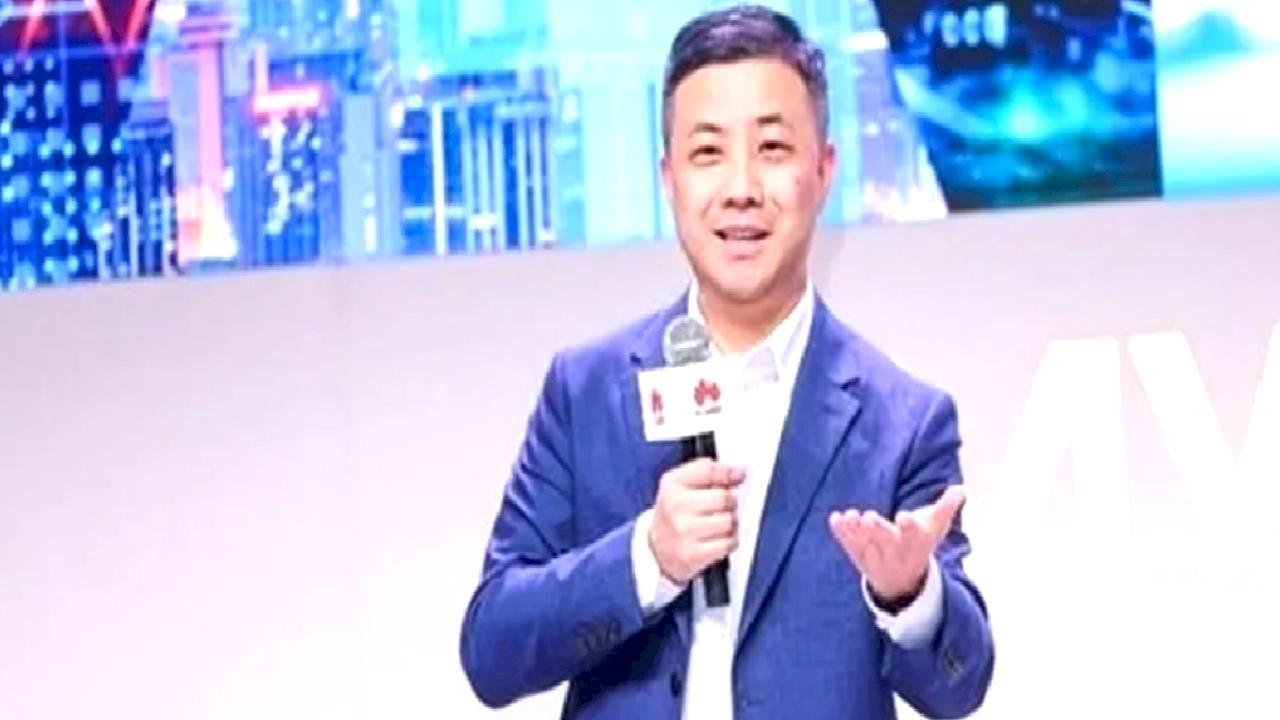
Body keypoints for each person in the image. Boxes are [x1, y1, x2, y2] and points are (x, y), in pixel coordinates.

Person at [459, 6, 994, 718]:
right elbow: (491, 651)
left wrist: (911, 594)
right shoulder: (586, 393)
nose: (741, 188)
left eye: (772, 147)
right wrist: (647, 556)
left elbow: (961, 684)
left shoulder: (904, 421)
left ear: (823, 170)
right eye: (708, 152)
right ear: (669, 178)